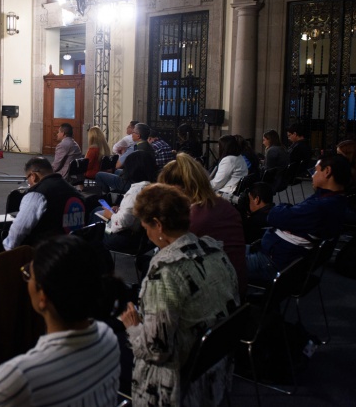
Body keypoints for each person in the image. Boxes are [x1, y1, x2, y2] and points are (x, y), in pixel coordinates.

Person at [0, 236, 123, 406]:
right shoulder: (108, 338)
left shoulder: (21, 376)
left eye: (28, 274)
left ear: (43, 297)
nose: (25, 277)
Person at [121, 183, 239, 407]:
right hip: (215, 368)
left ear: (158, 225)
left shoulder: (165, 273)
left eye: (147, 227)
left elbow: (157, 351)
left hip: (172, 382)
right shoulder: (215, 251)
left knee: (107, 346)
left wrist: (133, 327)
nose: (147, 234)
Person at [246, 154, 350, 284]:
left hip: (272, 263)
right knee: (227, 248)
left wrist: (285, 210)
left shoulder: (321, 206)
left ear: (327, 171)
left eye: (316, 171)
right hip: (275, 255)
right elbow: (287, 215)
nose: (312, 175)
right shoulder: (332, 199)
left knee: (221, 259)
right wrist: (287, 212)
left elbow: (275, 216)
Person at [158, 153, 247, 300]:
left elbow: (166, 259)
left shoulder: (193, 220)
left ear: (180, 190)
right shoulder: (225, 206)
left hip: (216, 301)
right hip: (237, 288)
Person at [3, 157, 85, 250]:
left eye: (27, 179)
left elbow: (19, 230)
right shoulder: (75, 192)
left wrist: (7, 250)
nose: (28, 183)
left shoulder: (37, 195)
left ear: (33, 176)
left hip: (46, 256)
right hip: (74, 251)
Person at [94, 151, 158, 253]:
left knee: (95, 217)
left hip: (125, 239)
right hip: (142, 238)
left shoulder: (135, 193)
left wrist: (110, 215)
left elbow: (122, 223)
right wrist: (120, 210)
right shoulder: (154, 188)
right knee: (98, 210)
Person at [209, 134, 248, 199]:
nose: (218, 147)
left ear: (225, 146)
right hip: (233, 191)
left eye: (219, 145)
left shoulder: (228, 160)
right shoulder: (239, 157)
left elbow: (217, 183)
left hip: (226, 193)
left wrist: (203, 185)